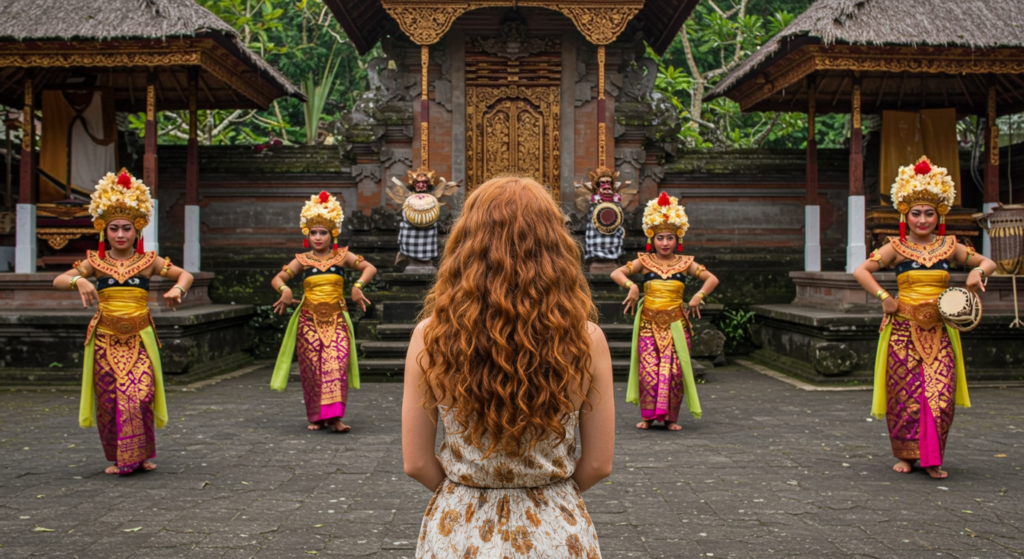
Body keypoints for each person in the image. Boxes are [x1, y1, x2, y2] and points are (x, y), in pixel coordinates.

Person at [403, 176, 614, 558]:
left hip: (458, 528)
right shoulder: (587, 339)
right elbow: (598, 464)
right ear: (554, 246)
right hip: (554, 527)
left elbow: (416, 463)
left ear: (465, 245)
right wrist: (549, 492)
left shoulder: (430, 336)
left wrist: (467, 489)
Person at [853, 156, 995, 479]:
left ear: (939, 214)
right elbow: (861, 271)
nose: (922, 219)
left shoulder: (950, 246)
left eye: (929, 213)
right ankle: (906, 456)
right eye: (916, 213)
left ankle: (932, 457)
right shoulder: (897, 247)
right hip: (903, 330)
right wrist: (884, 298)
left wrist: (975, 273)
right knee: (905, 396)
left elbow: (989, 263)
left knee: (941, 396)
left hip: (941, 331)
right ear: (906, 214)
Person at [53, 170, 193, 475]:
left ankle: (140, 454)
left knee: (141, 396)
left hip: (139, 338)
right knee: (111, 401)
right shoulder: (95, 262)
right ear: (104, 230)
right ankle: (122, 457)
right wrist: (79, 280)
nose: (120, 235)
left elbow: (186, 274)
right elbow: (58, 280)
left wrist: (177, 289)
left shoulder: (148, 262)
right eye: (114, 228)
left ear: (137, 230)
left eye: (126, 229)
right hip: (104, 338)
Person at [269, 191, 376, 432]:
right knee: (312, 370)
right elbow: (278, 278)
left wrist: (358, 286)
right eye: (313, 232)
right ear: (307, 234)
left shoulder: (341, 257)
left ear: (332, 234)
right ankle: (316, 417)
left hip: (337, 319)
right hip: (308, 320)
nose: (318, 237)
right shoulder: (302, 260)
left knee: (336, 365)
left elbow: (369, 267)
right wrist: (285, 290)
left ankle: (336, 418)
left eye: (323, 232)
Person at [611, 192, 718, 430]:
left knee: (675, 372)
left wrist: (698, 295)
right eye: (660, 238)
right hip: (649, 323)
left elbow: (711, 279)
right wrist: (632, 286)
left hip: (677, 325)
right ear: (652, 238)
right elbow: (616, 273)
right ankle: (649, 417)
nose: (665, 243)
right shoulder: (644, 262)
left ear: (677, 238)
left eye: (670, 237)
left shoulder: (686, 263)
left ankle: (671, 418)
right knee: (649, 371)